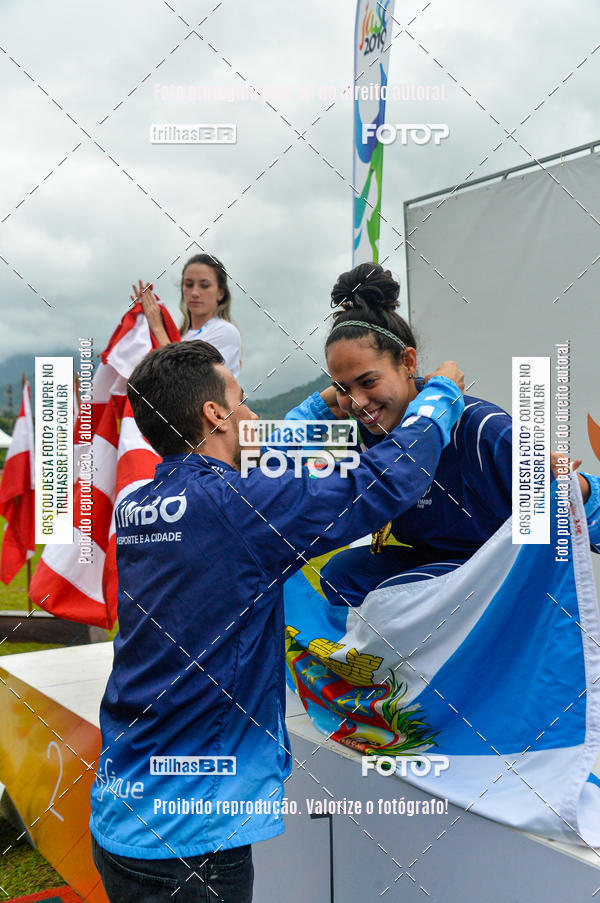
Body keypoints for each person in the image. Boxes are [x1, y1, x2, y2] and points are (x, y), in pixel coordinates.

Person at [89, 339, 465, 903]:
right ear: (214, 413)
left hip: (124, 807)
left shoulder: (139, 503)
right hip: (188, 841)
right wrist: (442, 396)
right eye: (241, 400)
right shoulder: (239, 508)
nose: (251, 414)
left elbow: (255, 463)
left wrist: (318, 408)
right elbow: (387, 479)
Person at [284, 262, 600, 607]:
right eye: (343, 388)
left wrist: (580, 490)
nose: (357, 401)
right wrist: (320, 406)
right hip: (434, 565)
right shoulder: (362, 436)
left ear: (408, 362)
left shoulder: (481, 428)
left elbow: (577, 523)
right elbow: (280, 465)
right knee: (344, 574)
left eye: (368, 381)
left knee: (399, 592)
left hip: (502, 576)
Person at [131, 253, 242, 376]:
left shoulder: (225, 331)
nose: (194, 293)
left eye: (204, 286)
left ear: (220, 293)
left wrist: (157, 327)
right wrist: (144, 324)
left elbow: (187, 378)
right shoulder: (181, 335)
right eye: (189, 284)